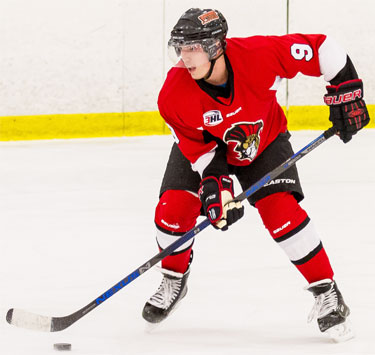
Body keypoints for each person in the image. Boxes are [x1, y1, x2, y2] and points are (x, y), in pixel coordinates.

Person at [142, 8, 370, 341]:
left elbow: (324, 49)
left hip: (263, 141)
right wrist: (214, 187)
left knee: (283, 214)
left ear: (216, 46)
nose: (184, 57)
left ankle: (325, 290)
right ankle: (174, 278)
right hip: (208, 148)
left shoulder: (259, 56)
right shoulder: (173, 94)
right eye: (180, 48)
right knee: (172, 212)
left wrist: (347, 94)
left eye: (192, 48)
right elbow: (200, 150)